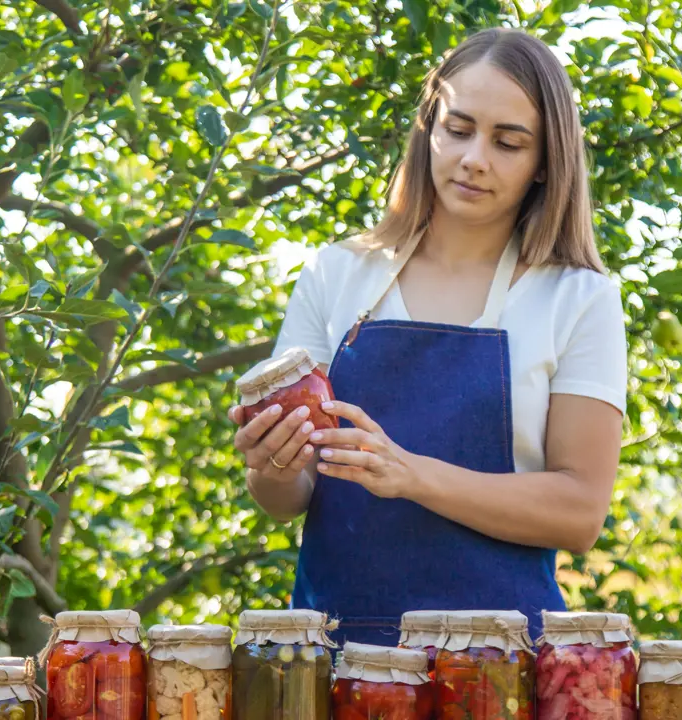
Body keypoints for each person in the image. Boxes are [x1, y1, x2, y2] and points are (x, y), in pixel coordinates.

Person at [227, 27, 628, 647]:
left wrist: (411, 475)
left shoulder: (577, 299)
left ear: (546, 161)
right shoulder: (336, 274)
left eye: (508, 142)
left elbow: (579, 512)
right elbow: (290, 495)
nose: (475, 158)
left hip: (499, 670)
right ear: (428, 130)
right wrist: (270, 463)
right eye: (458, 129)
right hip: (336, 663)